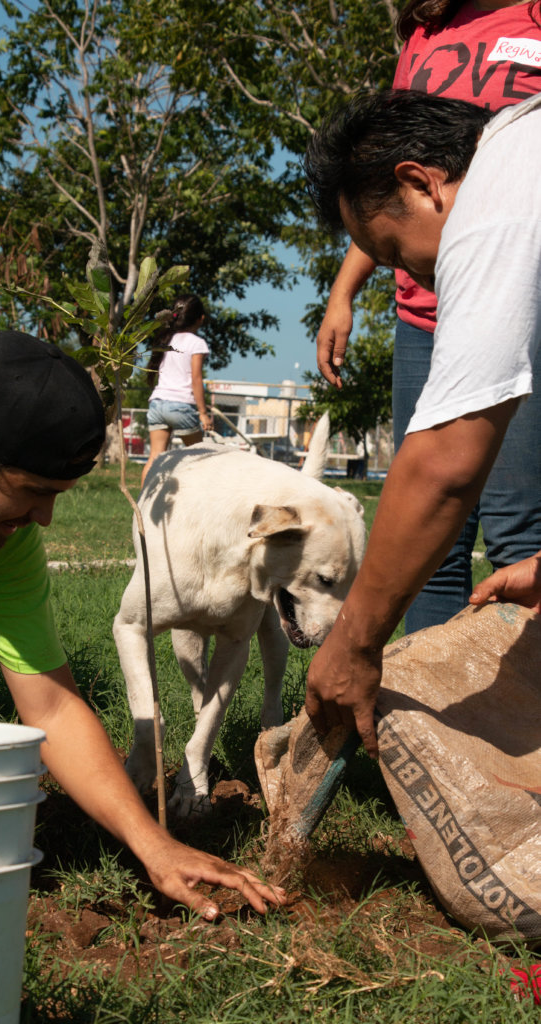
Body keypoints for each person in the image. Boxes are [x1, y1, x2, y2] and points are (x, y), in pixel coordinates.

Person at [0, 329, 285, 918]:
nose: (47, 519)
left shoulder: (0, 539)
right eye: (34, 492)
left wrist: (155, 845)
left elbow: (51, 708)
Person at [303, 87, 541, 756]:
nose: (418, 277)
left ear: (421, 184)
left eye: (396, 252)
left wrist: (352, 642)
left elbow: (445, 463)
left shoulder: (492, 205)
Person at [315, 0, 541, 633]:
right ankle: (418, 707)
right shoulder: (424, 37)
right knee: (423, 541)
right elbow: (385, 188)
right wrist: (345, 290)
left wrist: (349, 644)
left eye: (393, 257)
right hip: (425, 324)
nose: (398, 267)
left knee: (516, 519)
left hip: (518, 304)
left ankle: (521, 712)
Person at [141, 293, 213, 484]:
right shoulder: (197, 343)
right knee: (201, 459)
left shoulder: (165, 339)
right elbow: (196, 379)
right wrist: (203, 413)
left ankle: (140, 506)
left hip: (157, 404)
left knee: (155, 457)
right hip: (181, 406)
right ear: (200, 318)